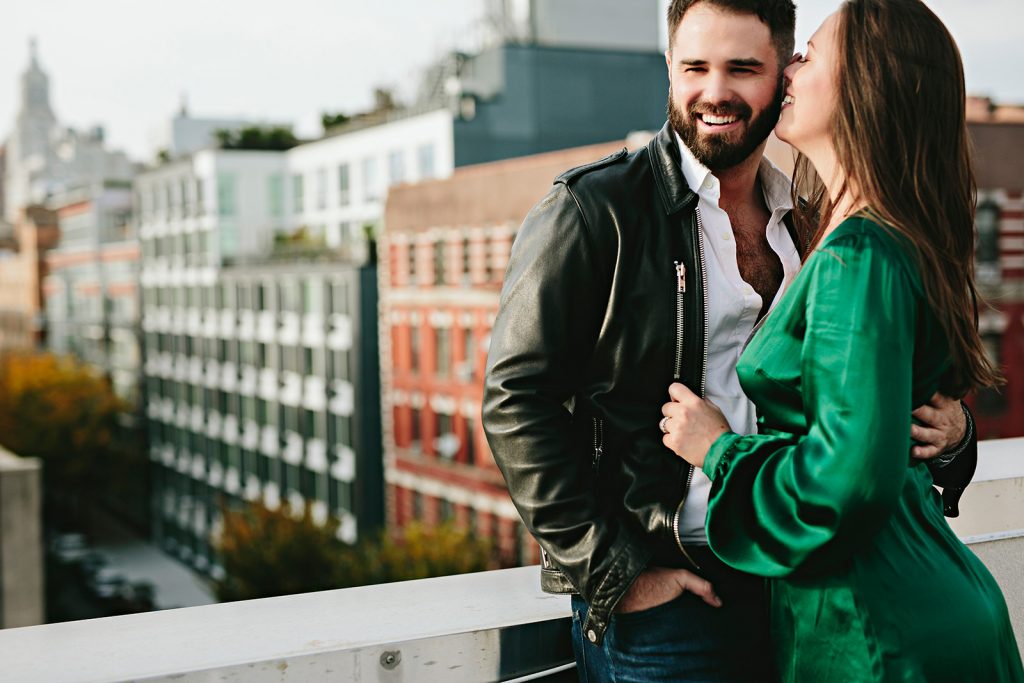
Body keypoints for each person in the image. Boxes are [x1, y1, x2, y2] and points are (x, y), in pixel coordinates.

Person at [482, 0, 977, 681]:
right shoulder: (596, 211)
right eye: (694, 67)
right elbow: (515, 399)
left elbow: (866, 417)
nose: (715, 92)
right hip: (673, 603)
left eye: (743, 68)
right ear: (669, 69)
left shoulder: (818, 224)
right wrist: (615, 576)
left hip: (801, 583)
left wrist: (956, 435)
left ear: (782, 76)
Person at [660, 1, 1024, 681]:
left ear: (867, 84)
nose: (787, 68)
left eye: (809, 54)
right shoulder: (857, 233)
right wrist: (954, 432)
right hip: (887, 609)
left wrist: (719, 449)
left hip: (879, 631)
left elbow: (846, 482)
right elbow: (885, 422)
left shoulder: (860, 253)